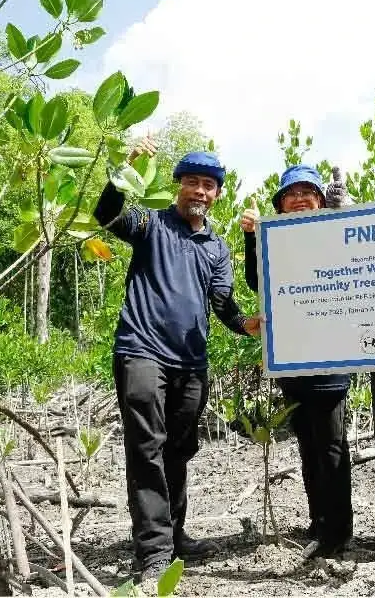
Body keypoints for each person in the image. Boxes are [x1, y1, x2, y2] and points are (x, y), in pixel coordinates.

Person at [93, 141, 261, 587]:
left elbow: (223, 303)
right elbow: (106, 213)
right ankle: (154, 551)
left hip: (191, 363)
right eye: (192, 182)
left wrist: (245, 324)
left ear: (217, 194)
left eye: (208, 185)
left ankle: (174, 534)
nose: (199, 191)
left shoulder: (216, 247)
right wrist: (126, 166)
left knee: (179, 448)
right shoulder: (151, 223)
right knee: (146, 449)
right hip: (141, 351)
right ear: (178, 186)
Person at [240, 164, 354, 560]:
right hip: (292, 363)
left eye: (308, 192)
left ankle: (338, 530)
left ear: (321, 200)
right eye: (292, 194)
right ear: (281, 205)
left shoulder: (334, 231)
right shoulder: (277, 241)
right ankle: (319, 521)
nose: (300, 199)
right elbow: (258, 282)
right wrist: (251, 237)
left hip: (331, 364)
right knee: (308, 447)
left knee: (332, 448)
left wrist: (344, 214)